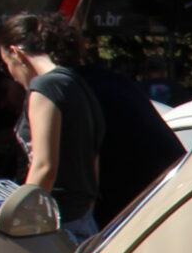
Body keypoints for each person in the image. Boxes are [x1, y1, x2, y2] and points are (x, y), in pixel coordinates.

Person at [0, 12, 106, 239]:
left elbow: (44, 166)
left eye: (6, 64)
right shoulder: (76, 83)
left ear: (17, 53)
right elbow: (93, 159)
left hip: (57, 223)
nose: (12, 75)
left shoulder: (44, 88)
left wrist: (18, 223)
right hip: (83, 220)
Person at [75, 52, 184, 225]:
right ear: (163, 70)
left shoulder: (83, 90)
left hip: (136, 206)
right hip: (168, 189)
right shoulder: (121, 85)